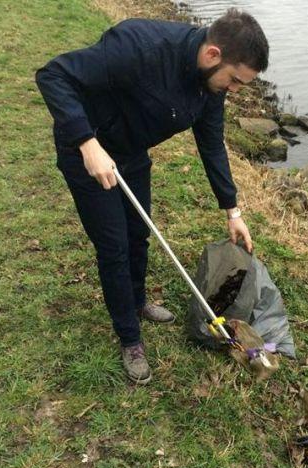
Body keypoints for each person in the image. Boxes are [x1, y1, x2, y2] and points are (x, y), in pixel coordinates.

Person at [35, 9, 269, 384]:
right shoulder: (139, 45)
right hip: (88, 152)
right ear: (213, 55)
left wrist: (232, 209)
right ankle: (129, 337)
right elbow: (53, 75)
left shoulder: (210, 85)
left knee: (138, 233)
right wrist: (87, 142)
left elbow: (211, 145)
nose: (235, 90)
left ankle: (138, 300)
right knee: (114, 248)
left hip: (130, 153)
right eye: (235, 81)